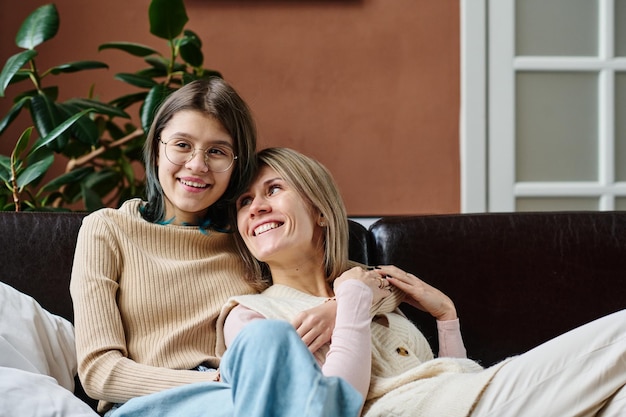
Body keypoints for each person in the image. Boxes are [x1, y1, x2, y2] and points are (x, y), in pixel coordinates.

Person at [218, 147, 626, 417]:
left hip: (454, 400)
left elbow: (451, 377)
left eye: (274, 189)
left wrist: (446, 318)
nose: (257, 208)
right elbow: (342, 400)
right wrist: (352, 299)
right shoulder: (252, 317)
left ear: (320, 210)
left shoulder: (373, 292)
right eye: (244, 202)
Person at [69, 79, 366, 417]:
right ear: (156, 148)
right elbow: (98, 372)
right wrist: (216, 383)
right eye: (182, 145)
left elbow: (358, 277)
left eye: (217, 151)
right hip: (152, 404)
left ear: (236, 165)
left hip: (249, 396)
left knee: (271, 341)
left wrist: (335, 309)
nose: (197, 165)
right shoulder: (108, 229)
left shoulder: (249, 233)